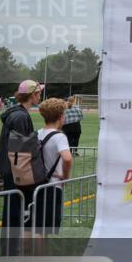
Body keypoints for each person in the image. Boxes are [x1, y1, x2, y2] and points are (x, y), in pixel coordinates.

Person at [0, 80, 45, 241]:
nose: (40, 96)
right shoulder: (21, 116)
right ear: (32, 95)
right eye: (39, 93)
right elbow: (20, 151)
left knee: (13, 210)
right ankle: (11, 249)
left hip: (10, 168)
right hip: (14, 171)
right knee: (14, 212)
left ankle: (11, 247)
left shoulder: (17, 113)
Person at [33, 98, 73, 234]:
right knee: (45, 229)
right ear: (61, 117)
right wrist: (65, 177)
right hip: (53, 185)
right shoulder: (59, 137)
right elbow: (67, 158)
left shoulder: (37, 133)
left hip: (37, 183)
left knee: (38, 227)